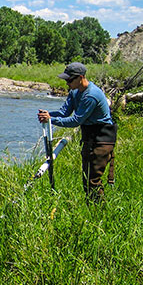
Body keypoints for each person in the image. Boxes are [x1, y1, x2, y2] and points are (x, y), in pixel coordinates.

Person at [37, 62, 117, 201]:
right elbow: (64, 112)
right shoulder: (75, 92)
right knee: (86, 178)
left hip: (102, 138)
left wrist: (51, 120)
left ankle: (100, 212)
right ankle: (92, 208)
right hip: (89, 138)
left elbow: (76, 120)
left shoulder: (91, 95)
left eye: (69, 80)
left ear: (80, 77)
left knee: (93, 180)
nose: (67, 83)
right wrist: (49, 114)